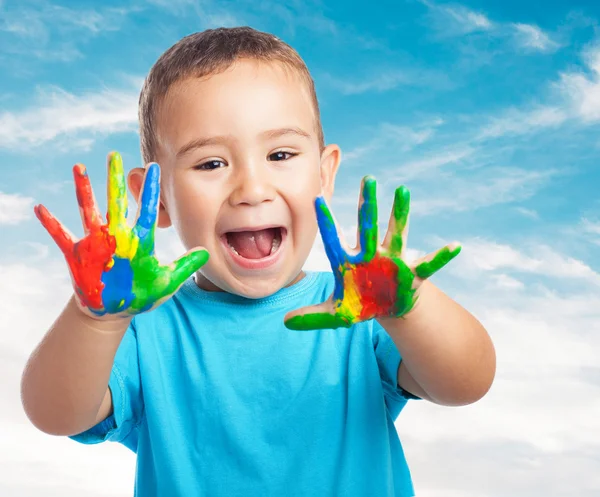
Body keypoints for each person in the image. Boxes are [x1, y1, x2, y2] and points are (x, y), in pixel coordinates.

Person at [20, 26, 496, 497]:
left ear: (324, 174)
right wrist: (94, 320)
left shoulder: (360, 311)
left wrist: (408, 310)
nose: (251, 189)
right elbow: (56, 414)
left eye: (280, 154)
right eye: (210, 163)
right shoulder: (143, 329)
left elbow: (467, 383)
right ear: (156, 199)